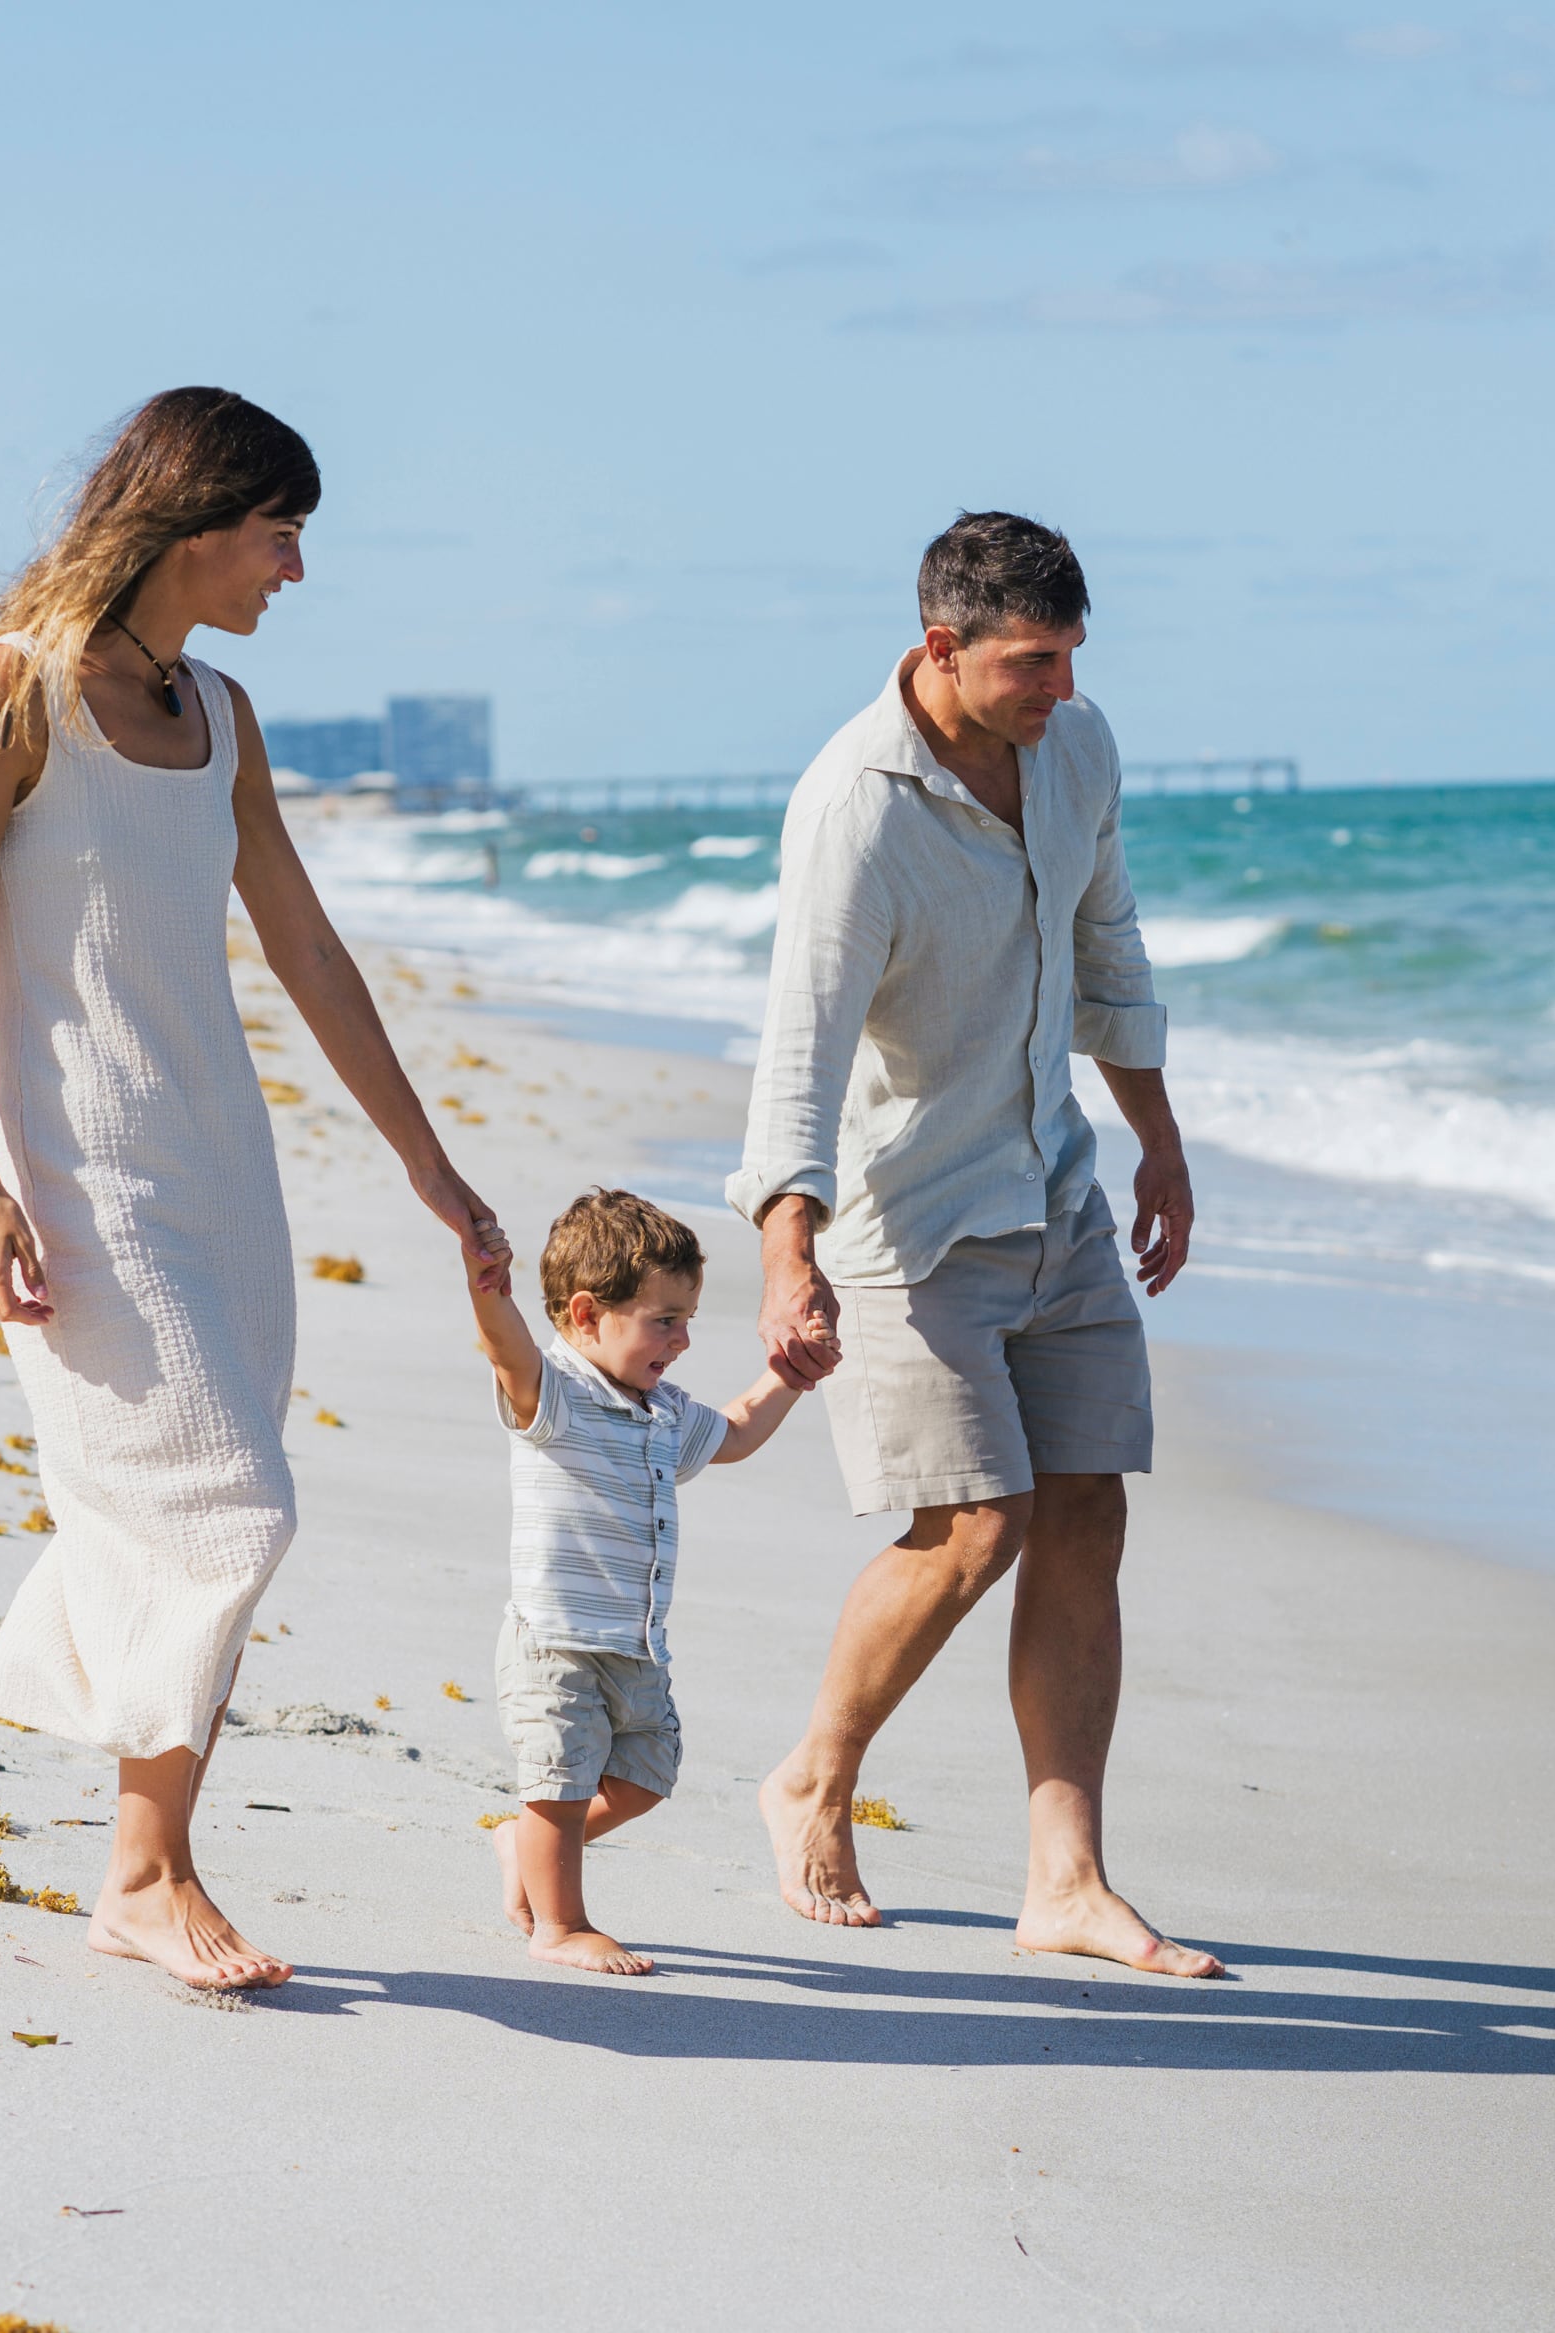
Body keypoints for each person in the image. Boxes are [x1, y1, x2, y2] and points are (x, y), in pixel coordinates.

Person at [0, 387, 506, 1992]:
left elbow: (308, 952)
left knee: (189, 1512)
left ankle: (145, 1868)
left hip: (222, 1170)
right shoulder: (11, 694)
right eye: (281, 532)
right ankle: (146, 1872)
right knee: (231, 1506)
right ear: (192, 519)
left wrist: (430, 1168)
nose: (294, 570)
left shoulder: (220, 713)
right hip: (80, 1175)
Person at [733, 510, 1222, 1979]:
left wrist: (1159, 1136)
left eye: (1072, 656)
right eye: (1030, 661)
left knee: (1088, 1509)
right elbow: (800, 1052)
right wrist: (786, 1254)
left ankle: (1066, 1879)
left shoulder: (1079, 748)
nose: (1058, 688)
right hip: (912, 1218)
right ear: (941, 647)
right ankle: (815, 1772)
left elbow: (1107, 944)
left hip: (1055, 1185)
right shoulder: (855, 809)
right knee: (972, 1524)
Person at [467, 1189, 808, 1975]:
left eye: (687, 1318)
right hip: (556, 1640)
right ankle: (561, 1923)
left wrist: (788, 1372)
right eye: (665, 1320)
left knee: (646, 1776)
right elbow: (508, 1348)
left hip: (636, 1643)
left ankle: (524, 1846)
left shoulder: (661, 1412)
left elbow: (738, 1431)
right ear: (587, 1315)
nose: (684, 1339)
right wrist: (488, 1286)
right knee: (557, 1783)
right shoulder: (555, 1397)